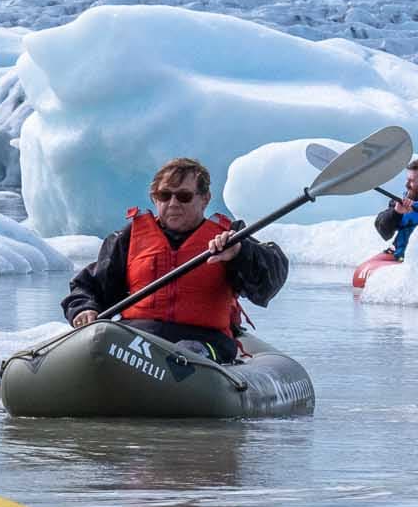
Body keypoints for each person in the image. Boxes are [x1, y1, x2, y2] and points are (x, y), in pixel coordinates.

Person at [60, 156, 287, 364]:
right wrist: (83, 309)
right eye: (164, 196)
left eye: (184, 196)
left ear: (205, 199)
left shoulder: (231, 238)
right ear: (154, 199)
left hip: (206, 340)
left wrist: (240, 252)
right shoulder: (128, 238)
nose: (173, 203)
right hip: (137, 336)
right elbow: (89, 286)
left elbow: (270, 280)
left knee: (188, 351)